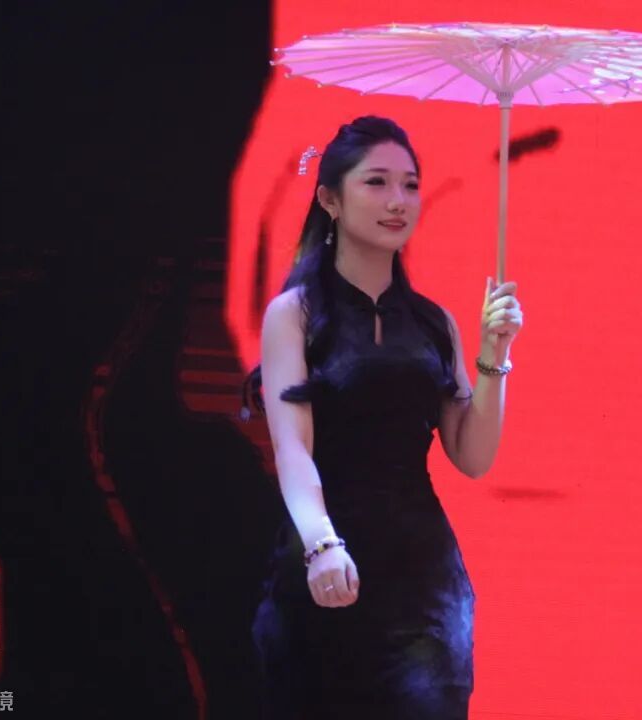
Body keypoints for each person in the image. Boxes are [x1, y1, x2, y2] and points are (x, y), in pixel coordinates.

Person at [244, 115, 523, 719]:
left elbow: (473, 456)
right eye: (377, 182)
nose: (399, 201)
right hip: (323, 561)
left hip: (423, 584)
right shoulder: (295, 314)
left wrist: (493, 357)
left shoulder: (433, 323)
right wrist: (321, 544)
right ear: (330, 200)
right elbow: (293, 448)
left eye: (411, 184)